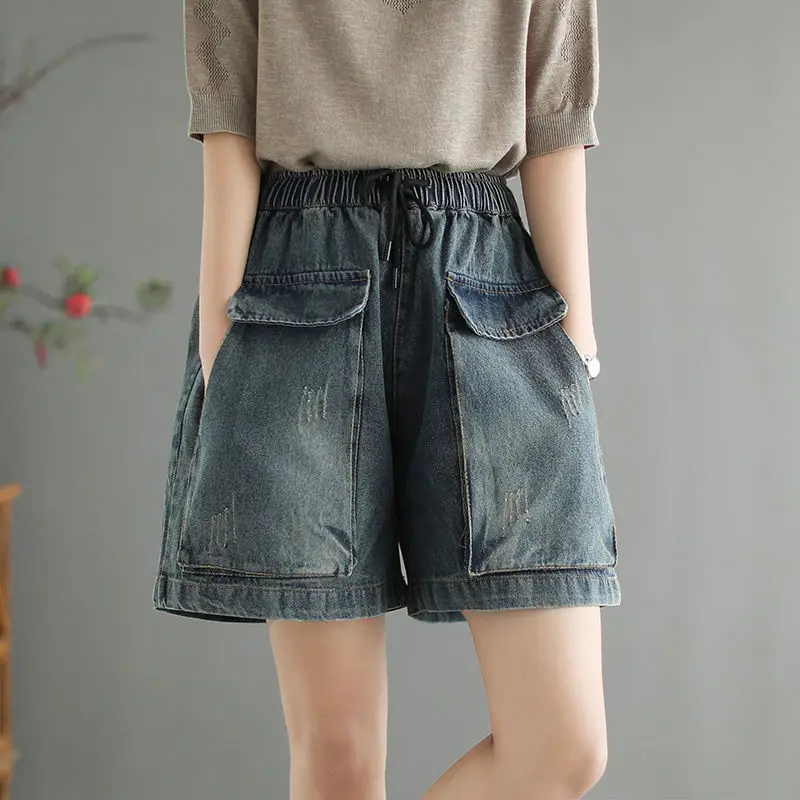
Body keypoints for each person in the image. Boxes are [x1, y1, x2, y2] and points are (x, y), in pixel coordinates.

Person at [153, 1, 621, 797]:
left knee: (563, 747)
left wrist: (575, 339)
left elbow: (554, 117)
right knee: (337, 754)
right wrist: (220, 343)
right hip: (297, 280)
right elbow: (228, 110)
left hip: (489, 280)